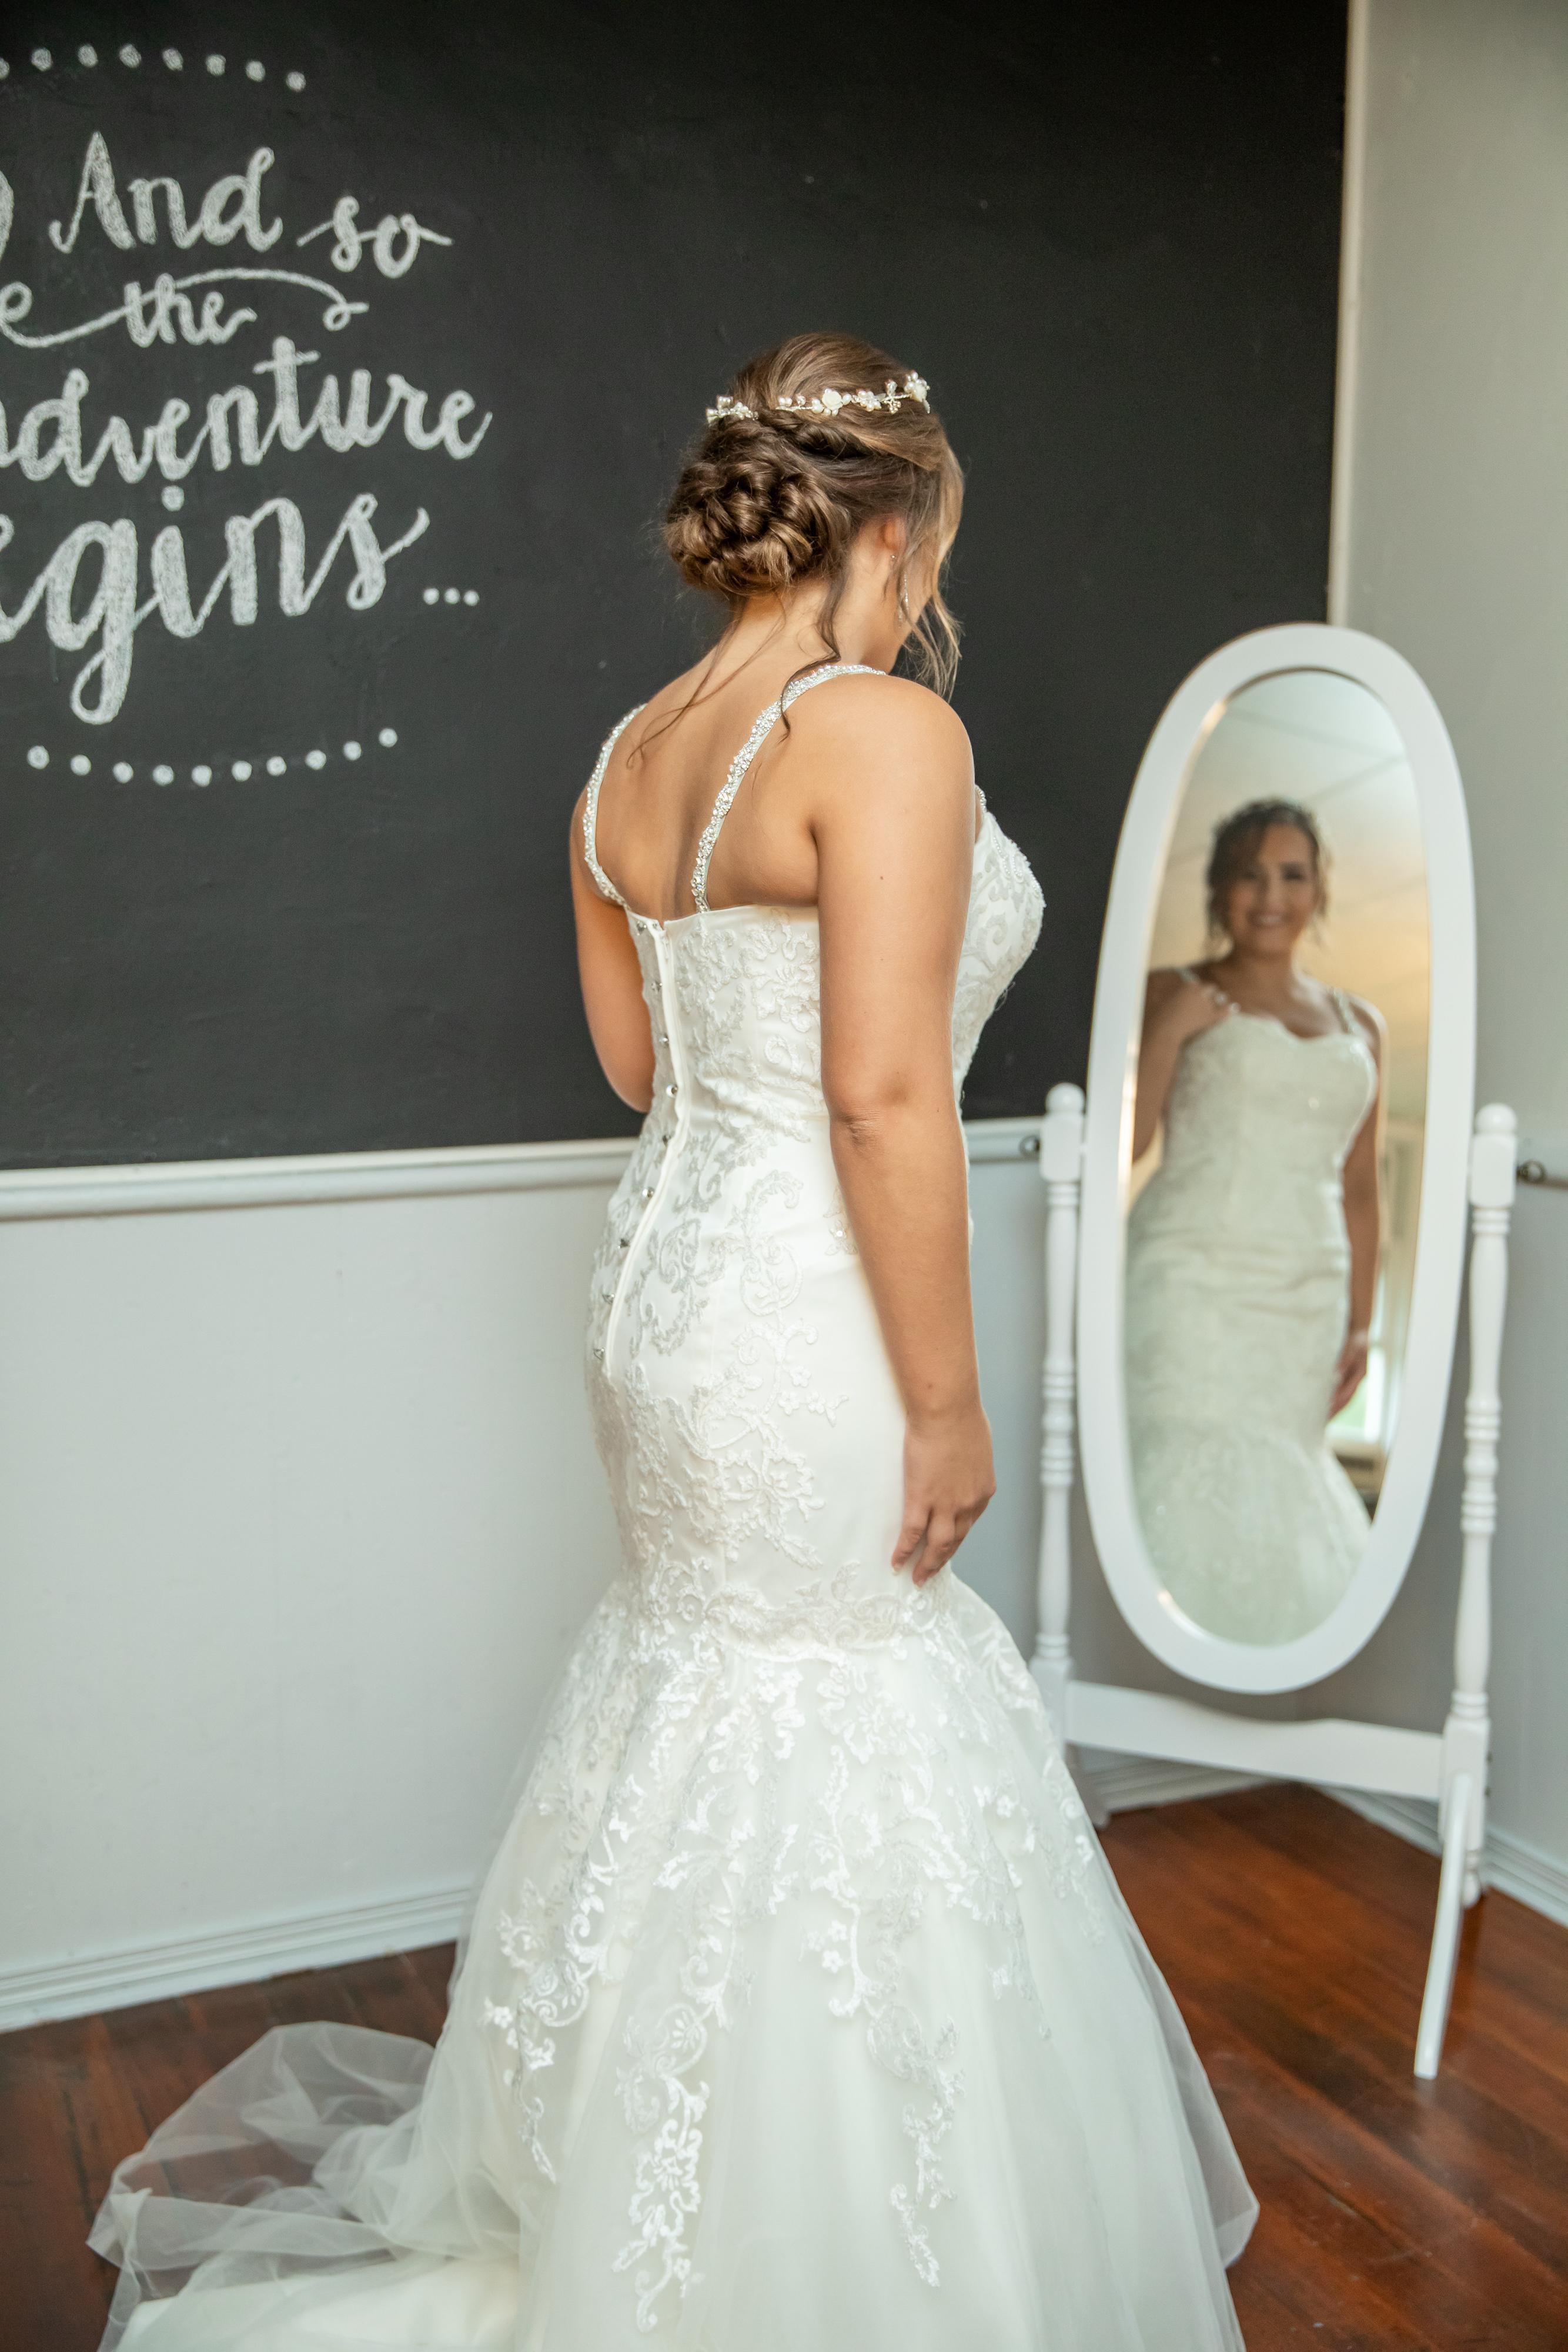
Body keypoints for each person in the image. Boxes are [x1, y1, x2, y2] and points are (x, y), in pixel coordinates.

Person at [90, 335, 1254, 2349]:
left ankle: (657, 2204)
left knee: (707, 1695)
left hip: (667, 1298)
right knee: (834, 1708)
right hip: (810, 1316)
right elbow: (880, 1097)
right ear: (893, 525)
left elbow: (644, 1070)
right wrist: (950, 1403)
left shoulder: (628, 754)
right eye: (930, 542)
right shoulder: (880, 735)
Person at [1126, 799, 1384, 1645]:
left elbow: (1360, 1188)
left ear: (1319, 891)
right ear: (1217, 890)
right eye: (1249, 874)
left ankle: (1265, 1685)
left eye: (1292, 875)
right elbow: (1126, 1146)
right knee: (1182, 1452)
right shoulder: (1172, 988)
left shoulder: (1363, 1026)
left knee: (1283, 1467)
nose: (1271, 896)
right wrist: (1171, 1031)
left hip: (1307, 1293)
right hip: (1191, 1274)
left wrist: (1362, 1321)